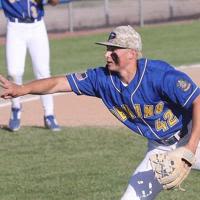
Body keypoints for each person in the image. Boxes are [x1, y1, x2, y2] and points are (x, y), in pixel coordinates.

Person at [0, 25, 200, 199]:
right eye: (107, 49)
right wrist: (22, 89)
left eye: (113, 50)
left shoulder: (159, 74)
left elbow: (198, 101)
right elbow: (59, 83)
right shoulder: (101, 79)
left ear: (131, 53)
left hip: (193, 135)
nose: (107, 54)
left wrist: (190, 148)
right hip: (159, 148)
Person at [1, 0, 61, 131]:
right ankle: (16, 107)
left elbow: (55, 2)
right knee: (14, 72)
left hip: (37, 27)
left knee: (43, 72)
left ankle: (49, 114)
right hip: (15, 26)